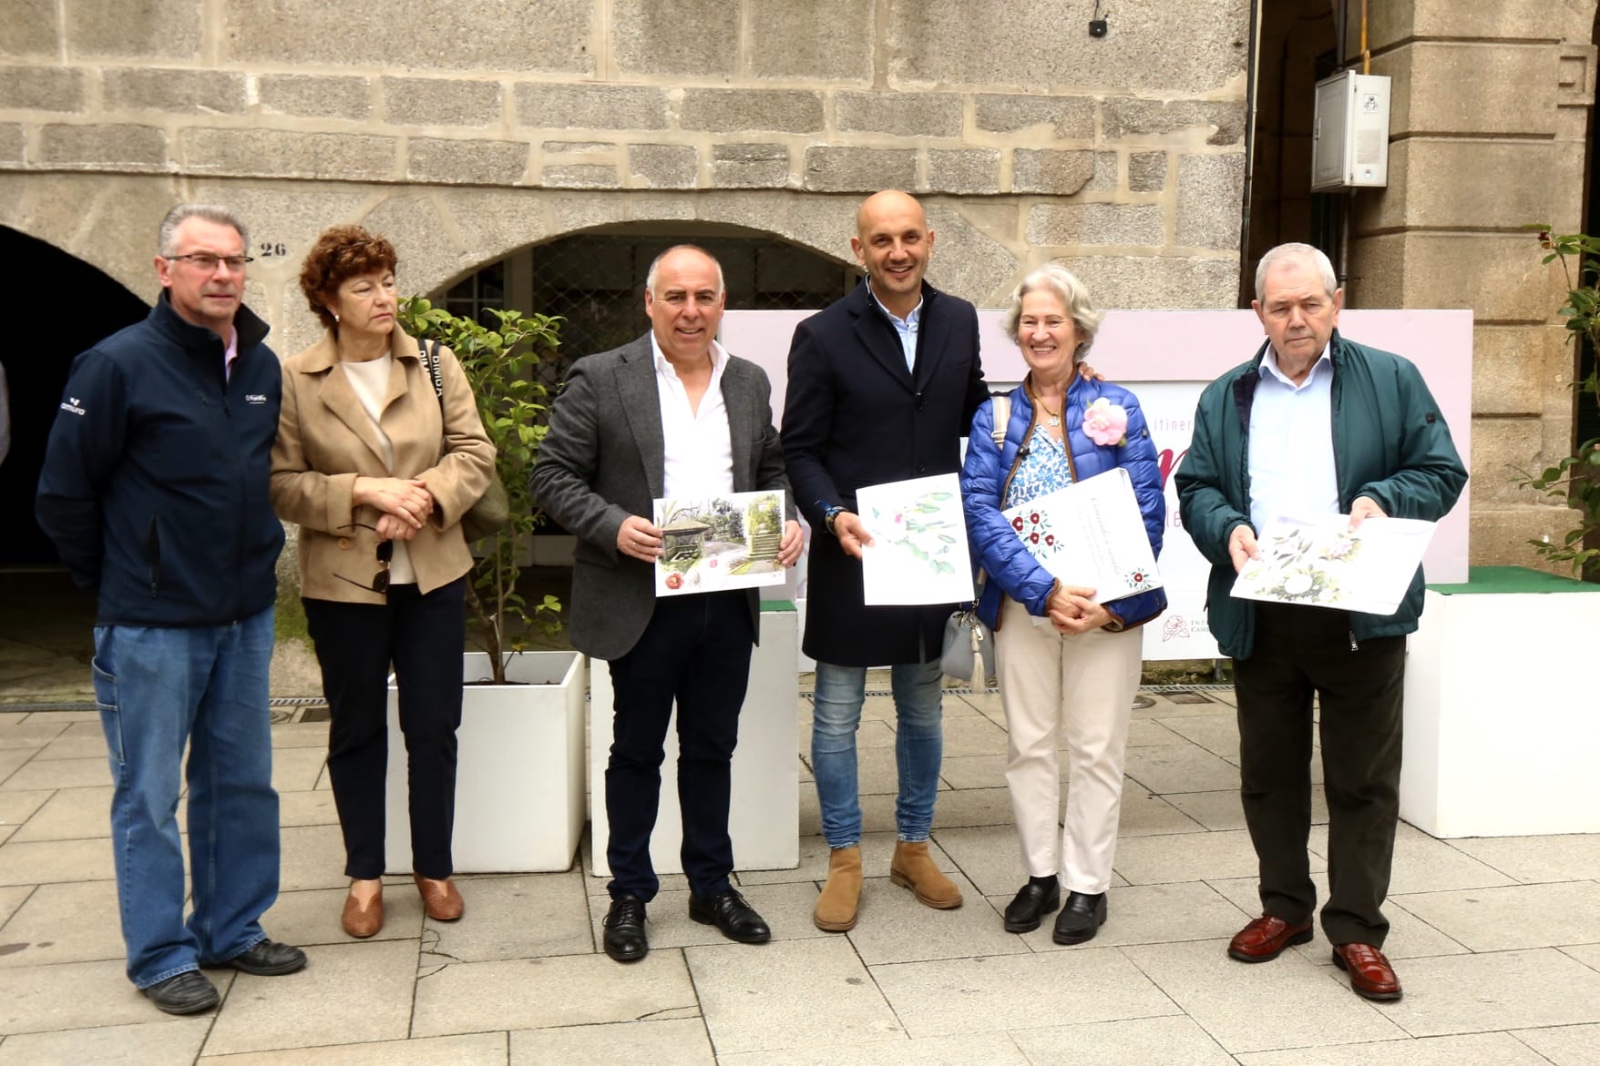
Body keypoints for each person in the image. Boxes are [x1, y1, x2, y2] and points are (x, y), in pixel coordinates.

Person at [1176, 242, 1467, 1002]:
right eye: (1281, 307)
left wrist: (1383, 499)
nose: (1297, 319)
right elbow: (1197, 486)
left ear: (1337, 303)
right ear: (1258, 312)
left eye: (1311, 303)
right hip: (1263, 609)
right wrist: (1226, 528)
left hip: (1359, 612)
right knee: (1269, 775)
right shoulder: (1228, 393)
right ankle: (1285, 908)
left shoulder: (1392, 378)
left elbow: (1441, 471)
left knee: (1363, 779)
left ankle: (1357, 929)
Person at [35, 203, 306, 1015]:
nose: (222, 275)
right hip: (151, 624)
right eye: (202, 260)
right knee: (148, 796)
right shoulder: (115, 365)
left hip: (243, 615)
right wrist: (120, 580)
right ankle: (160, 956)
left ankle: (231, 928)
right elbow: (64, 494)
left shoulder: (260, 366)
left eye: (233, 260)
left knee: (241, 782)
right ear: (165, 270)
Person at [530, 245, 803, 964]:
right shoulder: (601, 376)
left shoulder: (747, 380)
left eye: (704, 297)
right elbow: (551, 475)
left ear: (722, 305)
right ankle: (629, 893)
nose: (691, 311)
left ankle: (711, 886)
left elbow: (772, 468)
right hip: (640, 597)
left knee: (713, 748)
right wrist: (612, 526)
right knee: (636, 750)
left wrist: (788, 519)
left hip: (727, 593)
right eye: (676, 297)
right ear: (648, 303)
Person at [270, 225, 495, 939]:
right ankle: (365, 874)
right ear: (329, 301)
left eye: (389, 281)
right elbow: (282, 483)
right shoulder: (296, 378)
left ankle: (434, 868)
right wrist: (366, 491)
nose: (384, 297)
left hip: (432, 573)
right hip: (342, 581)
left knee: (433, 725)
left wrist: (420, 498)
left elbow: (473, 451)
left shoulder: (433, 362)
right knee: (357, 727)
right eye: (364, 286)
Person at [781, 189, 987, 932]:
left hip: (928, 551)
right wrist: (830, 513)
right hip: (855, 548)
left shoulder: (960, 319)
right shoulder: (822, 335)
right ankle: (844, 858)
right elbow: (800, 448)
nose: (897, 252)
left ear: (929, 241)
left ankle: (912, 847)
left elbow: (975, 414)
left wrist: (1048, 403)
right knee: (837, 713)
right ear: (858, 249)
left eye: (909, 237)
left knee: (923, 708)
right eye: (881, 241)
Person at [960, 264, 1166, 944]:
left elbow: (1147, 510)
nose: (1041, 332)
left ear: (1079, 329)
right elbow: (980, 514)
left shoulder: (1119, 408)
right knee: (1029, 745)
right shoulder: (992, 417)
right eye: (1030, 321)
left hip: (1105, 610)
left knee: (1096, 747)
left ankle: (1087, 886)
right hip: (1026, 606)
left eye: (1054, 320)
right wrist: (1043, 591)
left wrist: (1110, 602)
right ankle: (1040, 874)